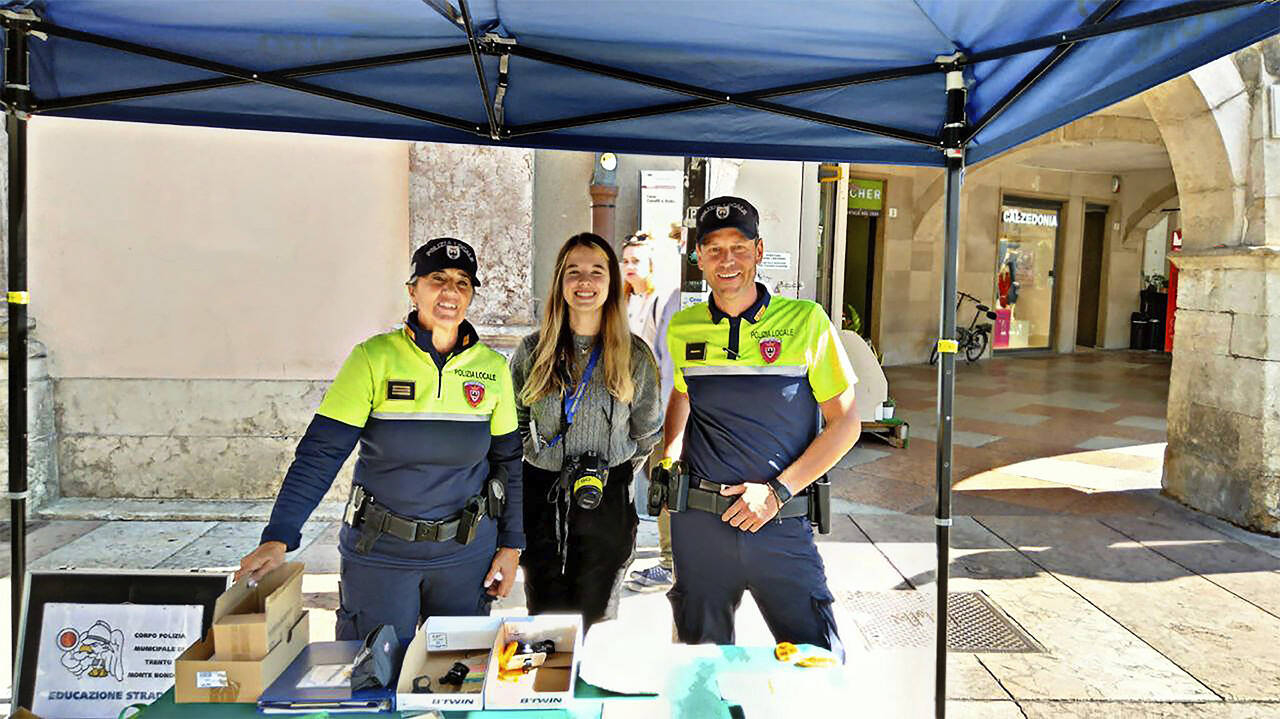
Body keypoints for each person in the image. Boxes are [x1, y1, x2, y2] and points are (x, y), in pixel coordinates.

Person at [236, 237, 523, 641]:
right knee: (372, 671)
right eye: (437, 279)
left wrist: (511, 546)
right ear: (413, 290)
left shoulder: (493, 369)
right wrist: (279, 536)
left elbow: (508, 462)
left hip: (464, 556)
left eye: (462, 282)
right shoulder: (373, 359)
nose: (450, 291)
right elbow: (321, 453)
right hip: (381, 555)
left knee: (459, 670)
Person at [661, 196, 860, 657]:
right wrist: (669, 455)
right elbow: (683, 393)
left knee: (816, 659)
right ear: (698, 258)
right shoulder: (683, 327)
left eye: (738, 247)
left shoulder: (806, 321)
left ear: (759, 250)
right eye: (714, 249)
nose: (726, 260)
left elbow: (846, 423)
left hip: (780, 524)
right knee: (700, 666)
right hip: (700, 527)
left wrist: (776, 492)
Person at [509, 232, 662, 629]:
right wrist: (542, 453)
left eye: (597, 272)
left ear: (612, 283)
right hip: (542, 497)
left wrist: (612, 467)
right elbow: (514, 423)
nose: (585, 282)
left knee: (597, 622)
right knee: (544, 621)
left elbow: (647, 431)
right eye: (573, 272)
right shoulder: (532, 351)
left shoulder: (634, 355)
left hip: (607, 497)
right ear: (560, 282)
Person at [619, 233, 679, 590]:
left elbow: (667, 365)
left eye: (636, 261)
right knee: (628, 481)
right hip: (625, 410)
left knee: (663, 483)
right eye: (625, 260)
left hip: (657, 411)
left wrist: (666, 419)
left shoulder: (664, 301)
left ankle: (670, 563)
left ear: (653, 265)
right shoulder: (624, 301)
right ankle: (623, 552)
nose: (629, 266)